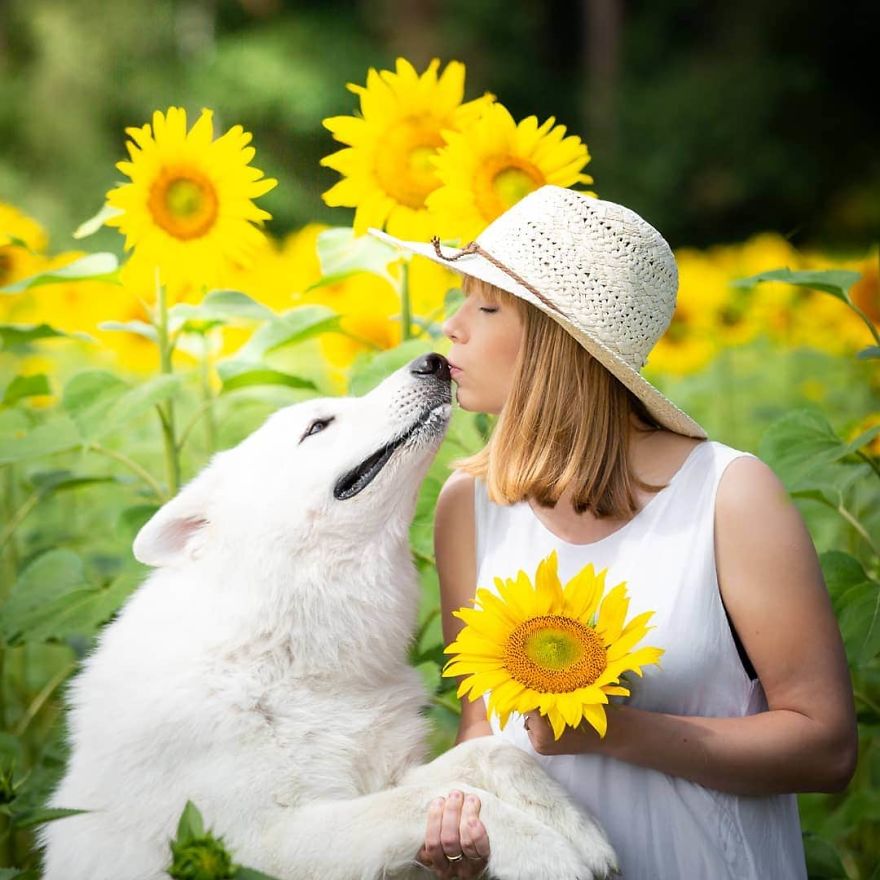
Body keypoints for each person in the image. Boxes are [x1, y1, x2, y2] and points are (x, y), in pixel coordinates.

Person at [368, 186, 858, 880]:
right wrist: (466, 832)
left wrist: (619, 733)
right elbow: (483, 729)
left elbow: (827, 749)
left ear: (557, 340)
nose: (452, 325)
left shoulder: (729, 496)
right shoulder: (469, 506)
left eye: (486, 305)